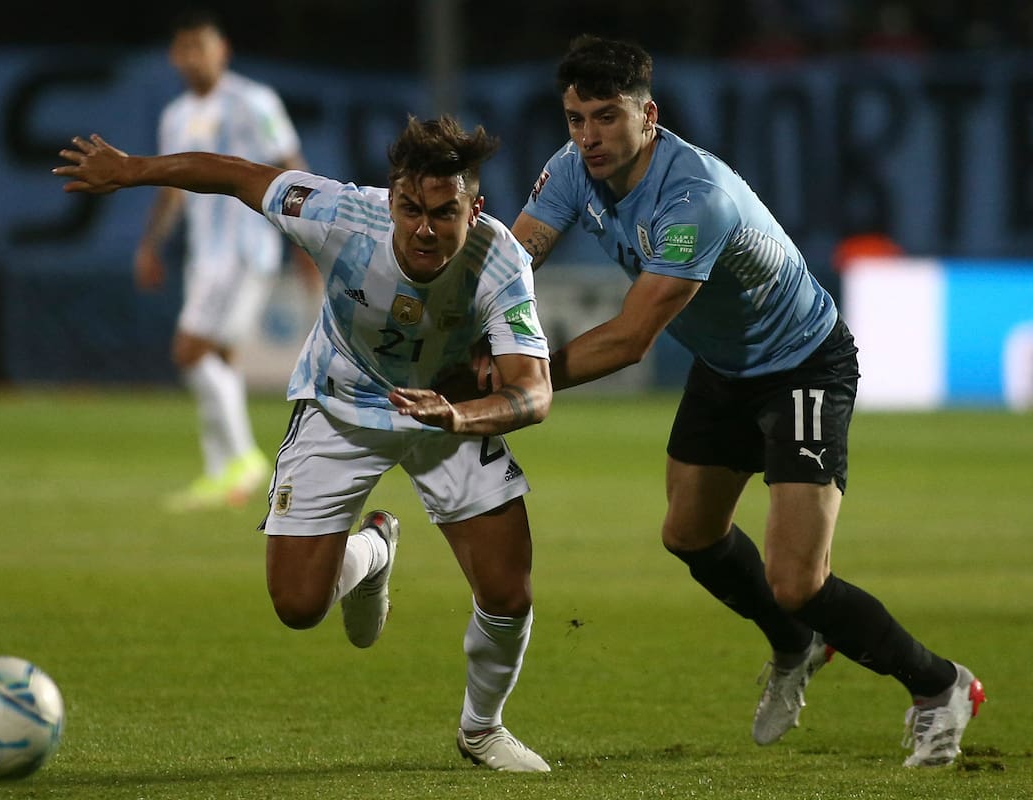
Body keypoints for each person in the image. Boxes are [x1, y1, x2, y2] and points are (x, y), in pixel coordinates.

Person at [509, 34, 984, 767]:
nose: (588, 136)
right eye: (575, 118)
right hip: (725, 364)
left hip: (802, 365)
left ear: (648, 114)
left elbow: (632, 338)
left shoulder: (696, 196)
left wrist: (521, 379)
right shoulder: (571, 169)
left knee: (797, 581)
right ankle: (797, 643)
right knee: (688, 535)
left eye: (606, 117)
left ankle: (940, 685)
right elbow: (515, 261)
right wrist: (469, 306)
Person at [55, 115, 555, 772]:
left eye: (444, 212)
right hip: (341, 405)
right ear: (391, 197)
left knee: (508, 591)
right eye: (411, 208)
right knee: (297, 607)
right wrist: (133, 170)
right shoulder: (341, 215)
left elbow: (534, 393)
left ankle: (481, 729)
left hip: (448, 413)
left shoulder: (500, 262)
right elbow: (237, 176)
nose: (425, 228)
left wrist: (459, 420)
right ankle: (374, 550)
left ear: (476, 208)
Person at [138, 8, 317, 512]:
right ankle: (224, 473)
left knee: (189, 352)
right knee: (221, 359)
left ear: (223, 50)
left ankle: (242, 458)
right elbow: (172, 188)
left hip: (244, 249)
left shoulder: (252, 101)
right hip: (204, 255)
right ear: (175, 55)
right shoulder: (174, 115)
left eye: (202, 46)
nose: (193, 57)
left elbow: (290, 167)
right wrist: (151, 244)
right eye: (184, 47)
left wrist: (306, 239)